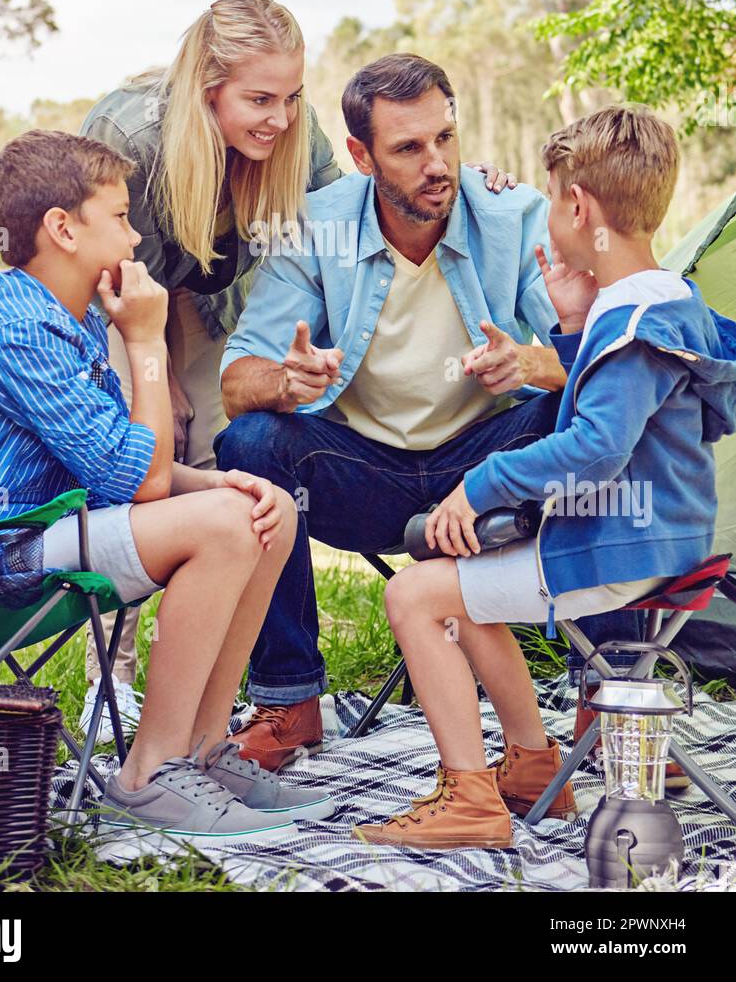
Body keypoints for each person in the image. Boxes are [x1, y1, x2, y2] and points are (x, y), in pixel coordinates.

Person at [0, 130, 335, 850]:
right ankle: (148, 774)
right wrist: (149, 345)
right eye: (121, 217)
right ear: (63, 229)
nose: (135, 236)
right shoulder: (23, 332)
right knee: (222, 526)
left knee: (266, 510)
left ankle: (204, 749)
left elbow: (120, 460)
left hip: (40, 527)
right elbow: (143, 481)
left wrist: (220, 479)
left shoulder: (79, 318)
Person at [80, 0, 514, 738]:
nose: (279, 118)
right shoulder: (134, 137)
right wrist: (154, 378)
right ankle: (112, 677)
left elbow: (361, 204)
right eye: (257, 99)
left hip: (213, 302)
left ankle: (252, 690)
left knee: (233, 467)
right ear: (204, 87)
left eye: (290, 96)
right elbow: (106, 280)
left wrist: (448, 181)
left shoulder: (297, 134)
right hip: (119, 295)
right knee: (138, 455)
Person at [216, 52, 637, 772]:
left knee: (597, 416)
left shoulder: (513, 213)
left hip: (486, 471)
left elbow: (609, 361)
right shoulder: (316, 229)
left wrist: (532, 363)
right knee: (251, 442)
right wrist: (287, 381)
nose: (437, 162)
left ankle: (613, 686)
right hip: (362, 475)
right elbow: (236, 380)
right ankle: (290, 701)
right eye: (408, 148)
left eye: (445, 138)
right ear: (360, 156)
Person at [355, 105, 736, 848]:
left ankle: (470, 799)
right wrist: (571, 323)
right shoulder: (664, 302)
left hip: (624, 552)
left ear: (576, 206)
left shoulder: (632, 325)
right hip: (668, 543)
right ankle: (531, 766)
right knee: (462, 583)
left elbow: (596, 449)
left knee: (413, 592)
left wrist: (481, 483)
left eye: (551, 201)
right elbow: (657, 416)